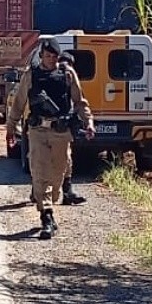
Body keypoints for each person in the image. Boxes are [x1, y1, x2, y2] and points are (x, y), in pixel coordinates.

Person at [23, 40, 93, 238]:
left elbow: (80, 102)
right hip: (37, 131)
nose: (51, 60)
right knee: (39, 172)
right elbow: (19, 101)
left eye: (54, 57)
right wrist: (11, 127)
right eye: (47, 56)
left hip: (61, 132)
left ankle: (51, 201)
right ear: (41, 56)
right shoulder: (31, 75)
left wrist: (89, 122)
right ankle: (46, 216)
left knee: (57, 173)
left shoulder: (68, 75)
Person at [58, 53, 87, 206]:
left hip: (59, 126)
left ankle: (67, 193)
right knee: (44, 162)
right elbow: (80, 102)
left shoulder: (68, 77)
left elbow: (78, 101)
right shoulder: (44, 75)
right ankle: (65, 192)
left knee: (64, 160)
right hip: (47, 126)